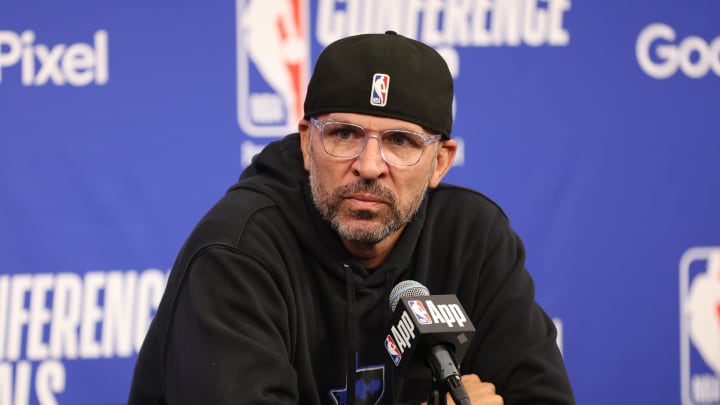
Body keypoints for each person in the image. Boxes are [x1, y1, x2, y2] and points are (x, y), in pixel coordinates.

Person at [128, 31, 574, 404]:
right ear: (307, 144)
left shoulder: (473, 239)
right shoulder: (236, 251)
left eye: (400, 141)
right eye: (344, 134)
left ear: (440, 161)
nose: (369, 165)